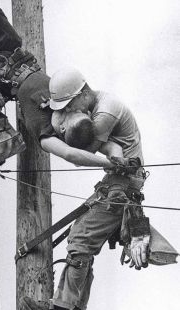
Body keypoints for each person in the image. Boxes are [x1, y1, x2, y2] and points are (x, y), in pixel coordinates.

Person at [21, 68, 151, 310]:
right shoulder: (93, 107)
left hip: (121, 186)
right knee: (82, 238)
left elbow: (78, 153)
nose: (68, 111)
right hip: (116, 183)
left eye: (69, 106)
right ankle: (72, 306)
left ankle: (63, 306)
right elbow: (112, 149)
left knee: (81, 239)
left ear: (82, 94)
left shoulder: (104, 113)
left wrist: (46, 128)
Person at [0, 2, 124, 171]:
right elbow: (111, 146)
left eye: (71, 115)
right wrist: (118, 160)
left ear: (63, 129)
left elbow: (72, 155)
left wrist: (105, 165)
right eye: (78, 111)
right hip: (17, 54)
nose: (71, 109)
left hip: (0, 74)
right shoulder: (68, 109)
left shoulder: (47, 133)